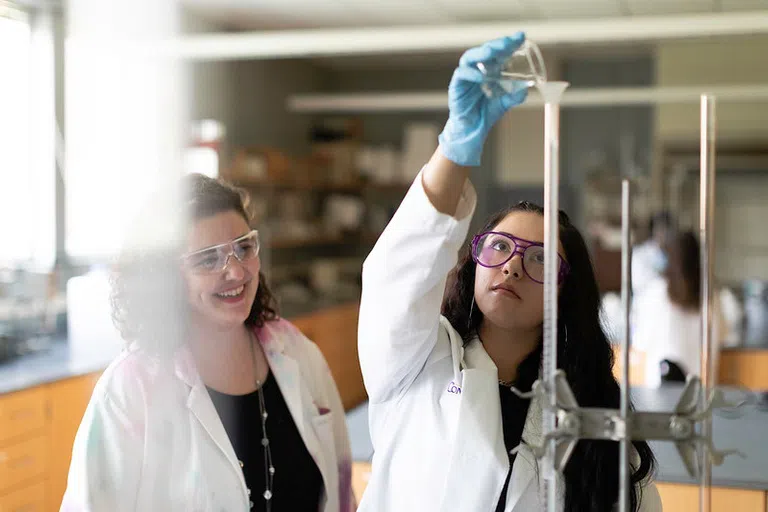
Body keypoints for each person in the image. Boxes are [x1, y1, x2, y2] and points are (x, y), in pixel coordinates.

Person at [356, 34, 661, 512]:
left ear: (566, 290)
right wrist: (455, 146)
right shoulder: (416, 363)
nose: (513, 265)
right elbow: (396, 278)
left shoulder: (591, 412)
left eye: (540, 258)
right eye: (498, 246)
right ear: (474, 261)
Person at [61, 173, 354, 512]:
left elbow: (342, 488)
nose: (236, 271)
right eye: (207, 259)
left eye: (244, 248)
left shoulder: (294, 350)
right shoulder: (131, 389)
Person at [633, 230, 727, 388]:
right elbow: (722, 335)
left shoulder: (655, 293)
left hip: (658, 392)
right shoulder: (711, 295)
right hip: (700, 395)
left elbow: (640, 341)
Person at [632, 211, 673, 297]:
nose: (664, 233)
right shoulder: (640, 254)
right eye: (660, 229)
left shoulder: (672, 254)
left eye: (667, 229)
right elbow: (639, 285)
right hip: (646, 303)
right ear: (653, 230)